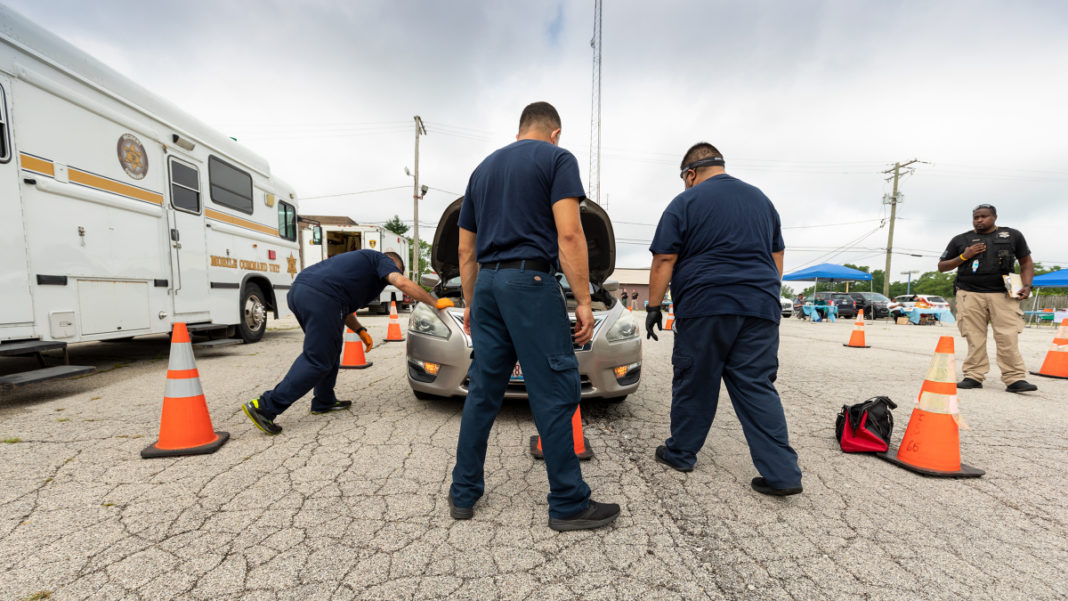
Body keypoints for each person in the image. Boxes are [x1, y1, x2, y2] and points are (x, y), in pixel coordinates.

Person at [448, 101, 620, 531]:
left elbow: (465, 251)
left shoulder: (482, 171)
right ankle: (567, 502)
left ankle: (463, 493)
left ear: (520, 127)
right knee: (555, 389)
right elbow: (568, 231)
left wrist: (471, 302)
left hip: (487, 285)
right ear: (555, 132)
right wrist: (582, 298)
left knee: (484, 391)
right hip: (531, 283)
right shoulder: (558, 158)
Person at [645, 142, 802, 496]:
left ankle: (681, 453)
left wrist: (654, 306)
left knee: (695, 380)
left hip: (706, 305)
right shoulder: (761, 200)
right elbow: (776, 254)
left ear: (690, 174)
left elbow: (664, 259)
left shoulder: (685, 202)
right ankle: (783, 475)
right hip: (760, 306)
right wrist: (764, 293)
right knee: (757, 385)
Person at [242, 249, 449, 434]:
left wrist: (360, 330)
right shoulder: (382, 260)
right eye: (398, 270)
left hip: (301, 293)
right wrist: (434, 302)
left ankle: (324, 400)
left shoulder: (359, 267)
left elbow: (345, 308)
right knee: (317, 358)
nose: (389, 278)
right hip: (322, 298)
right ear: (394, 263)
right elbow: (401, 282)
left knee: (329, 348)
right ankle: (265, 406)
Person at [937, 204, 1037, 393]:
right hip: (970, 293)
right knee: (974, 336)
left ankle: (1014, 378)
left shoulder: (1012, 236)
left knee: (1008, 336)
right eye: (976, 217)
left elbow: (1026, 262)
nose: (979, 220)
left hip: (1003, 294)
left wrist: (1027, 285)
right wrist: (964, 256)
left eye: (984, 216)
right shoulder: (961, 240)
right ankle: (973, 375)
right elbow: (942, 266)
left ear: (995, 217)